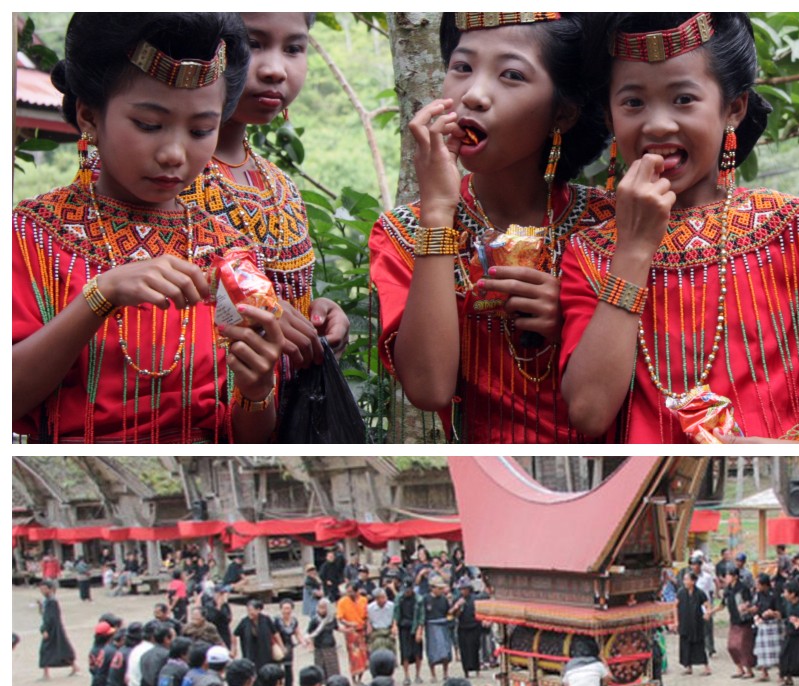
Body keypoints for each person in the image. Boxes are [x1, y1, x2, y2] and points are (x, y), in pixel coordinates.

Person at [559, 12, 799, 444]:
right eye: (633, 103)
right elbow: (588, 410)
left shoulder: (791, 226)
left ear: (734, 108)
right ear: (609, 118)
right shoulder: (590, 252)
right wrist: (635, 249)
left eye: (683, 99)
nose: (657, 124)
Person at [12, 13, 285, 443]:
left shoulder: (232, 253)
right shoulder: (32, 237)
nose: (175, 153)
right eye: (149, 125)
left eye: (201, 129)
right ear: (89, 116)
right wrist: (100, 297)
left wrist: (257, 390)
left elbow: (254, 440)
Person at [372, 12, 611, 443]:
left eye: (511, 75)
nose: (475, 95)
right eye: (462, 67)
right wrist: (438, 211)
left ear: (564, 112)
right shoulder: (404, 230)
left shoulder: (612, 226)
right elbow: (429, 388)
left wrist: (575, 322)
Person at [179, 11, 349, 373]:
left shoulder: (280, 184)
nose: (275, 69)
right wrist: (253, 306)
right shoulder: (164, 175)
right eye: (253, 44)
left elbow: (285, 294)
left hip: (282, 422)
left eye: (293, 48)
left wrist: (314, 314)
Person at [38, 581, 79, 680]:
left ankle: (46, 674)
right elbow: (44, 615)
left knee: (46, 650)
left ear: (50, 589)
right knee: (61, 648)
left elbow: (50, 617)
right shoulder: (48, 601)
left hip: (52, 629)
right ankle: (74, 666)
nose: (42, 591)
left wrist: (45, 629)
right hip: (55, 628)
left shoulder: (52, 601)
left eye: (44, 589)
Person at [675, 570, 712, 676]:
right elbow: (675, 606)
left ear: (693, 581)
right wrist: (676, 621)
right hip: (684, 623)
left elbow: (707, 604)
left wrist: (707, 613)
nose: (685, 582)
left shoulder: (699, 593)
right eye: (684, 580)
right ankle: (688, 667)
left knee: (699, 644)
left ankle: (706, 667)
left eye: (687, 579)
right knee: (685, 645)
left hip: (696, 624)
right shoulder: (681, 592)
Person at [722, 567, 757, 679]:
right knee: (731, 646)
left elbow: (749, 601)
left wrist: (745, 606)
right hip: (734, 620)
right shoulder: (727, 589)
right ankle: (739, 668)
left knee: (743, 646)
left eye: (728, 575)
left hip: (744, 620)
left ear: (735, 577)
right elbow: (722, 604)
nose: (726, 578)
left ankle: (749, 670)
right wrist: (711, 612)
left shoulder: (743, 588)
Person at [751, 574, 784, 683]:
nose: (756, 586)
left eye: (758, 584)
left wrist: (772, 612)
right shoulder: (759, 594)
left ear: (764, 585)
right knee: (761, 650)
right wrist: (749, 609)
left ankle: (781, 673)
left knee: (777, 650)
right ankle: (764, 673)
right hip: (762, 623)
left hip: (773, 624)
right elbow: (757, 606)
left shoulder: (774, 594)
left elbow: (780, 612)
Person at [422, 575, 454, 683]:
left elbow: (448, 613)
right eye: (439, 588)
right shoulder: (426, 599)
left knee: (446, 649)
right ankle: (433, 674)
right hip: (431, 626)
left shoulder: (444, 599)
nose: (441, 591)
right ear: (432, 588)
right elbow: (423, 615)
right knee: (432, 651)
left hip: (443, 624)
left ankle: (446, 673)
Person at [449, 579, 483, 678]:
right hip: (462, 627)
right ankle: (466, 670)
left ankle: (476, 669)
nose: (463, 591)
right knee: (464, 649)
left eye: (465, 589)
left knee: (474, 648)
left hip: (474, 626)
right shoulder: (457, 599)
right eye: (461, 589)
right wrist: (457, 606)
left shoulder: (475, 599)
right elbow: (452, 615)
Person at [394, 578, 425, 686]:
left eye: (408, 589)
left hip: (415, 626)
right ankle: (406, 676)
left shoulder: (419, 599)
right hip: (404, 628)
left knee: (417, 653)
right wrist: (394, 626)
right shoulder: (399, 598)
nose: (406, 592)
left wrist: (419, 631)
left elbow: (421, 616)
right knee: (405, 653)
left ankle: (418, 675)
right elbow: (396, 613)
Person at [272, 600, 300, 686]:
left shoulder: (294, 620)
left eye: (288, 608)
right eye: (284, 608)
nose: (286, 610)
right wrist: (281, 646)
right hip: (278, 646)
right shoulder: (276, 620)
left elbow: (297, 632)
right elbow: (276, 634)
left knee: (289, 670)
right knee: (278, 670)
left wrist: (302, 641)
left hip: (289, 645)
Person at [307, 597, 340, 677]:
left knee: (333, 670)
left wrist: (348, 629)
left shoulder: (331, 618)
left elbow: (337, 628)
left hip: (331, 647)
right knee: (321, 670)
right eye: (320, 607)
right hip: (319, 648)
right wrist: (310, 645)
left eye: (324, 608)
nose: (321, 610)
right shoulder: (314, 620)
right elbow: (309, 634)